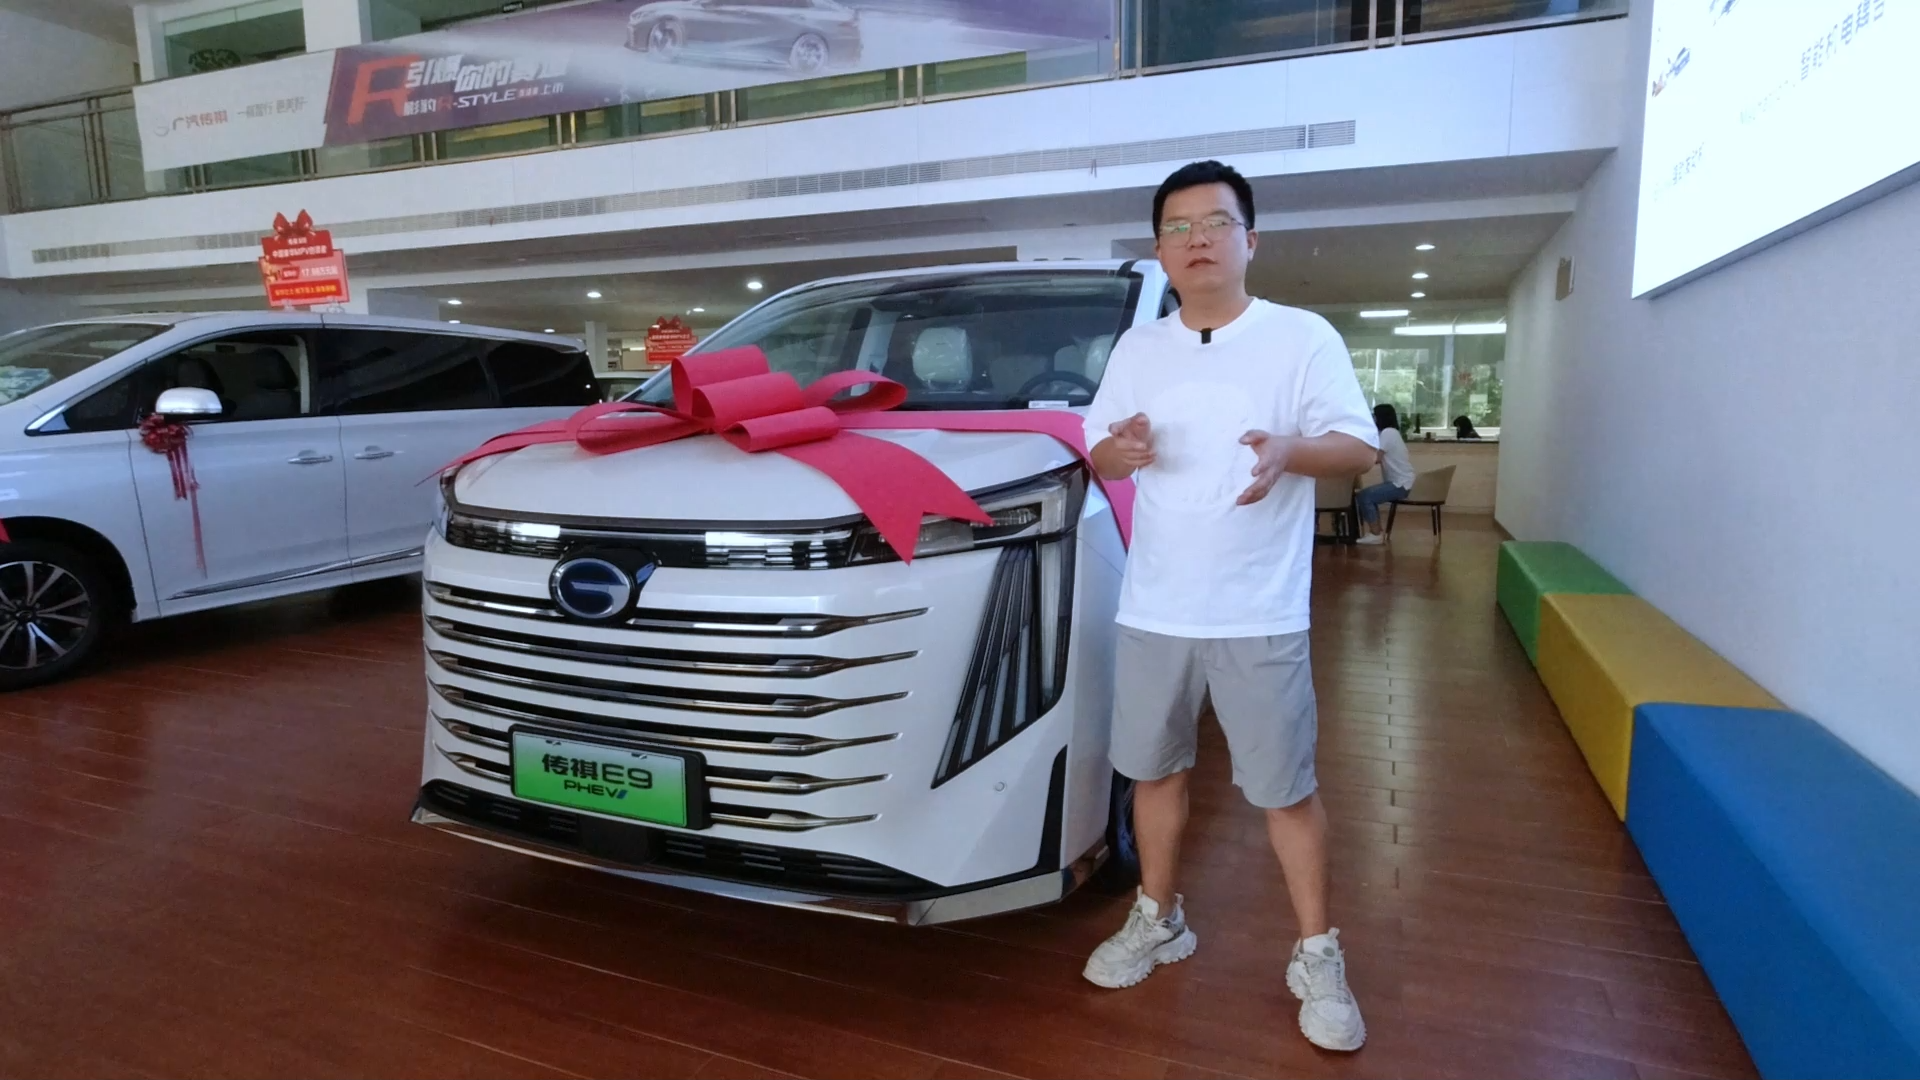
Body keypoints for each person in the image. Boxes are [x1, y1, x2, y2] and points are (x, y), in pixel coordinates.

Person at [1080, 160, 1379, 1053]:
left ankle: (1317, 952)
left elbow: (1358, 446)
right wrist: (1121, 449)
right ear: (1160, 250)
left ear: (1251, 239)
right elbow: (1099, 452)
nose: (1197, 240)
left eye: (1215, 222)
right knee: (1153, 773)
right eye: (1177, 228)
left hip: (1259, 612)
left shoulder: (1300, 336)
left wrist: (1290, 449)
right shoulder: (1139, 349)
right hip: (1156, 606)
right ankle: (1159, 918)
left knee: (1286, 791)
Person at [1354, 403, 1415, 546]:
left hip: (1400, 484)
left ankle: (1376, 534)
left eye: (1374, 416)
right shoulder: (1392, 432)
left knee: (1365, 496)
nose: (1373, 419)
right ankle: (1377, 532)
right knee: (1367, 495)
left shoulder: (1388, 433)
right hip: (1402, 482)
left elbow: (1376, 458)